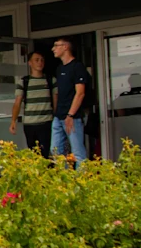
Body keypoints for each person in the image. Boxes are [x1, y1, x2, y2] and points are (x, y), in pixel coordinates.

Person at [51, 37, 90, 167]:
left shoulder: (77, 67)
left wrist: (71, 115)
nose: (53, 49)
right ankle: (65, 177)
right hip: (59, 116)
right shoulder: (59, 69)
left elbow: (80, 93)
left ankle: (82, 178)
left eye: (56, 45)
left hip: (73, 117)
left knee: (78, 152)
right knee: (55, 151)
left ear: (65, 47)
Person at [11, 51, 56, 158]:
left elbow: (56, 102)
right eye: (36, 60)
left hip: (46, 122)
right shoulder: (23, 82)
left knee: (46, 153)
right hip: (30, 124)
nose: (40, 62)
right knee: (34, 154)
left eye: (42, 60)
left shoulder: (50, 80)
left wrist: (56, 119)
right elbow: (17, 103)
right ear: (30, 63)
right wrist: (13, 121)